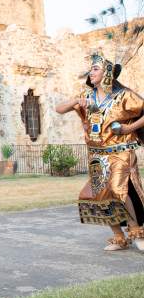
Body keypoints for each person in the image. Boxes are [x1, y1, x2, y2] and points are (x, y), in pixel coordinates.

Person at [56, 52, 144, 251]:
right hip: (97, 154)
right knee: (99, 195)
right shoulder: (87, 96)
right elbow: (59, 108)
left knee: (117, 189)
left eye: (95, 69)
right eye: (91, 69)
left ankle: (137, 231)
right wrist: (76, 102)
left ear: (107, 74)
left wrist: (128, 129)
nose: (91, 72)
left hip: (120, 151)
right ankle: (119, 237)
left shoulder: (124, 96)